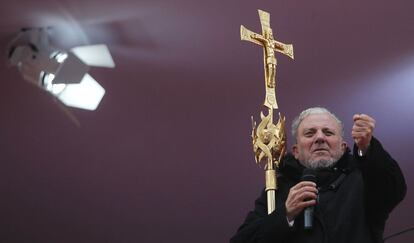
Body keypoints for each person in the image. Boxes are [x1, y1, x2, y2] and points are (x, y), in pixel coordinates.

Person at [230, 107, 406, 243]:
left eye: (328, 132)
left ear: (343, 146)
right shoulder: (278, 190)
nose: (320, 138)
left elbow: (393, 189)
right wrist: (285, 214)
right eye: (310, 133)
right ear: (296, 151)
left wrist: (368, 148)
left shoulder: (362, 179)